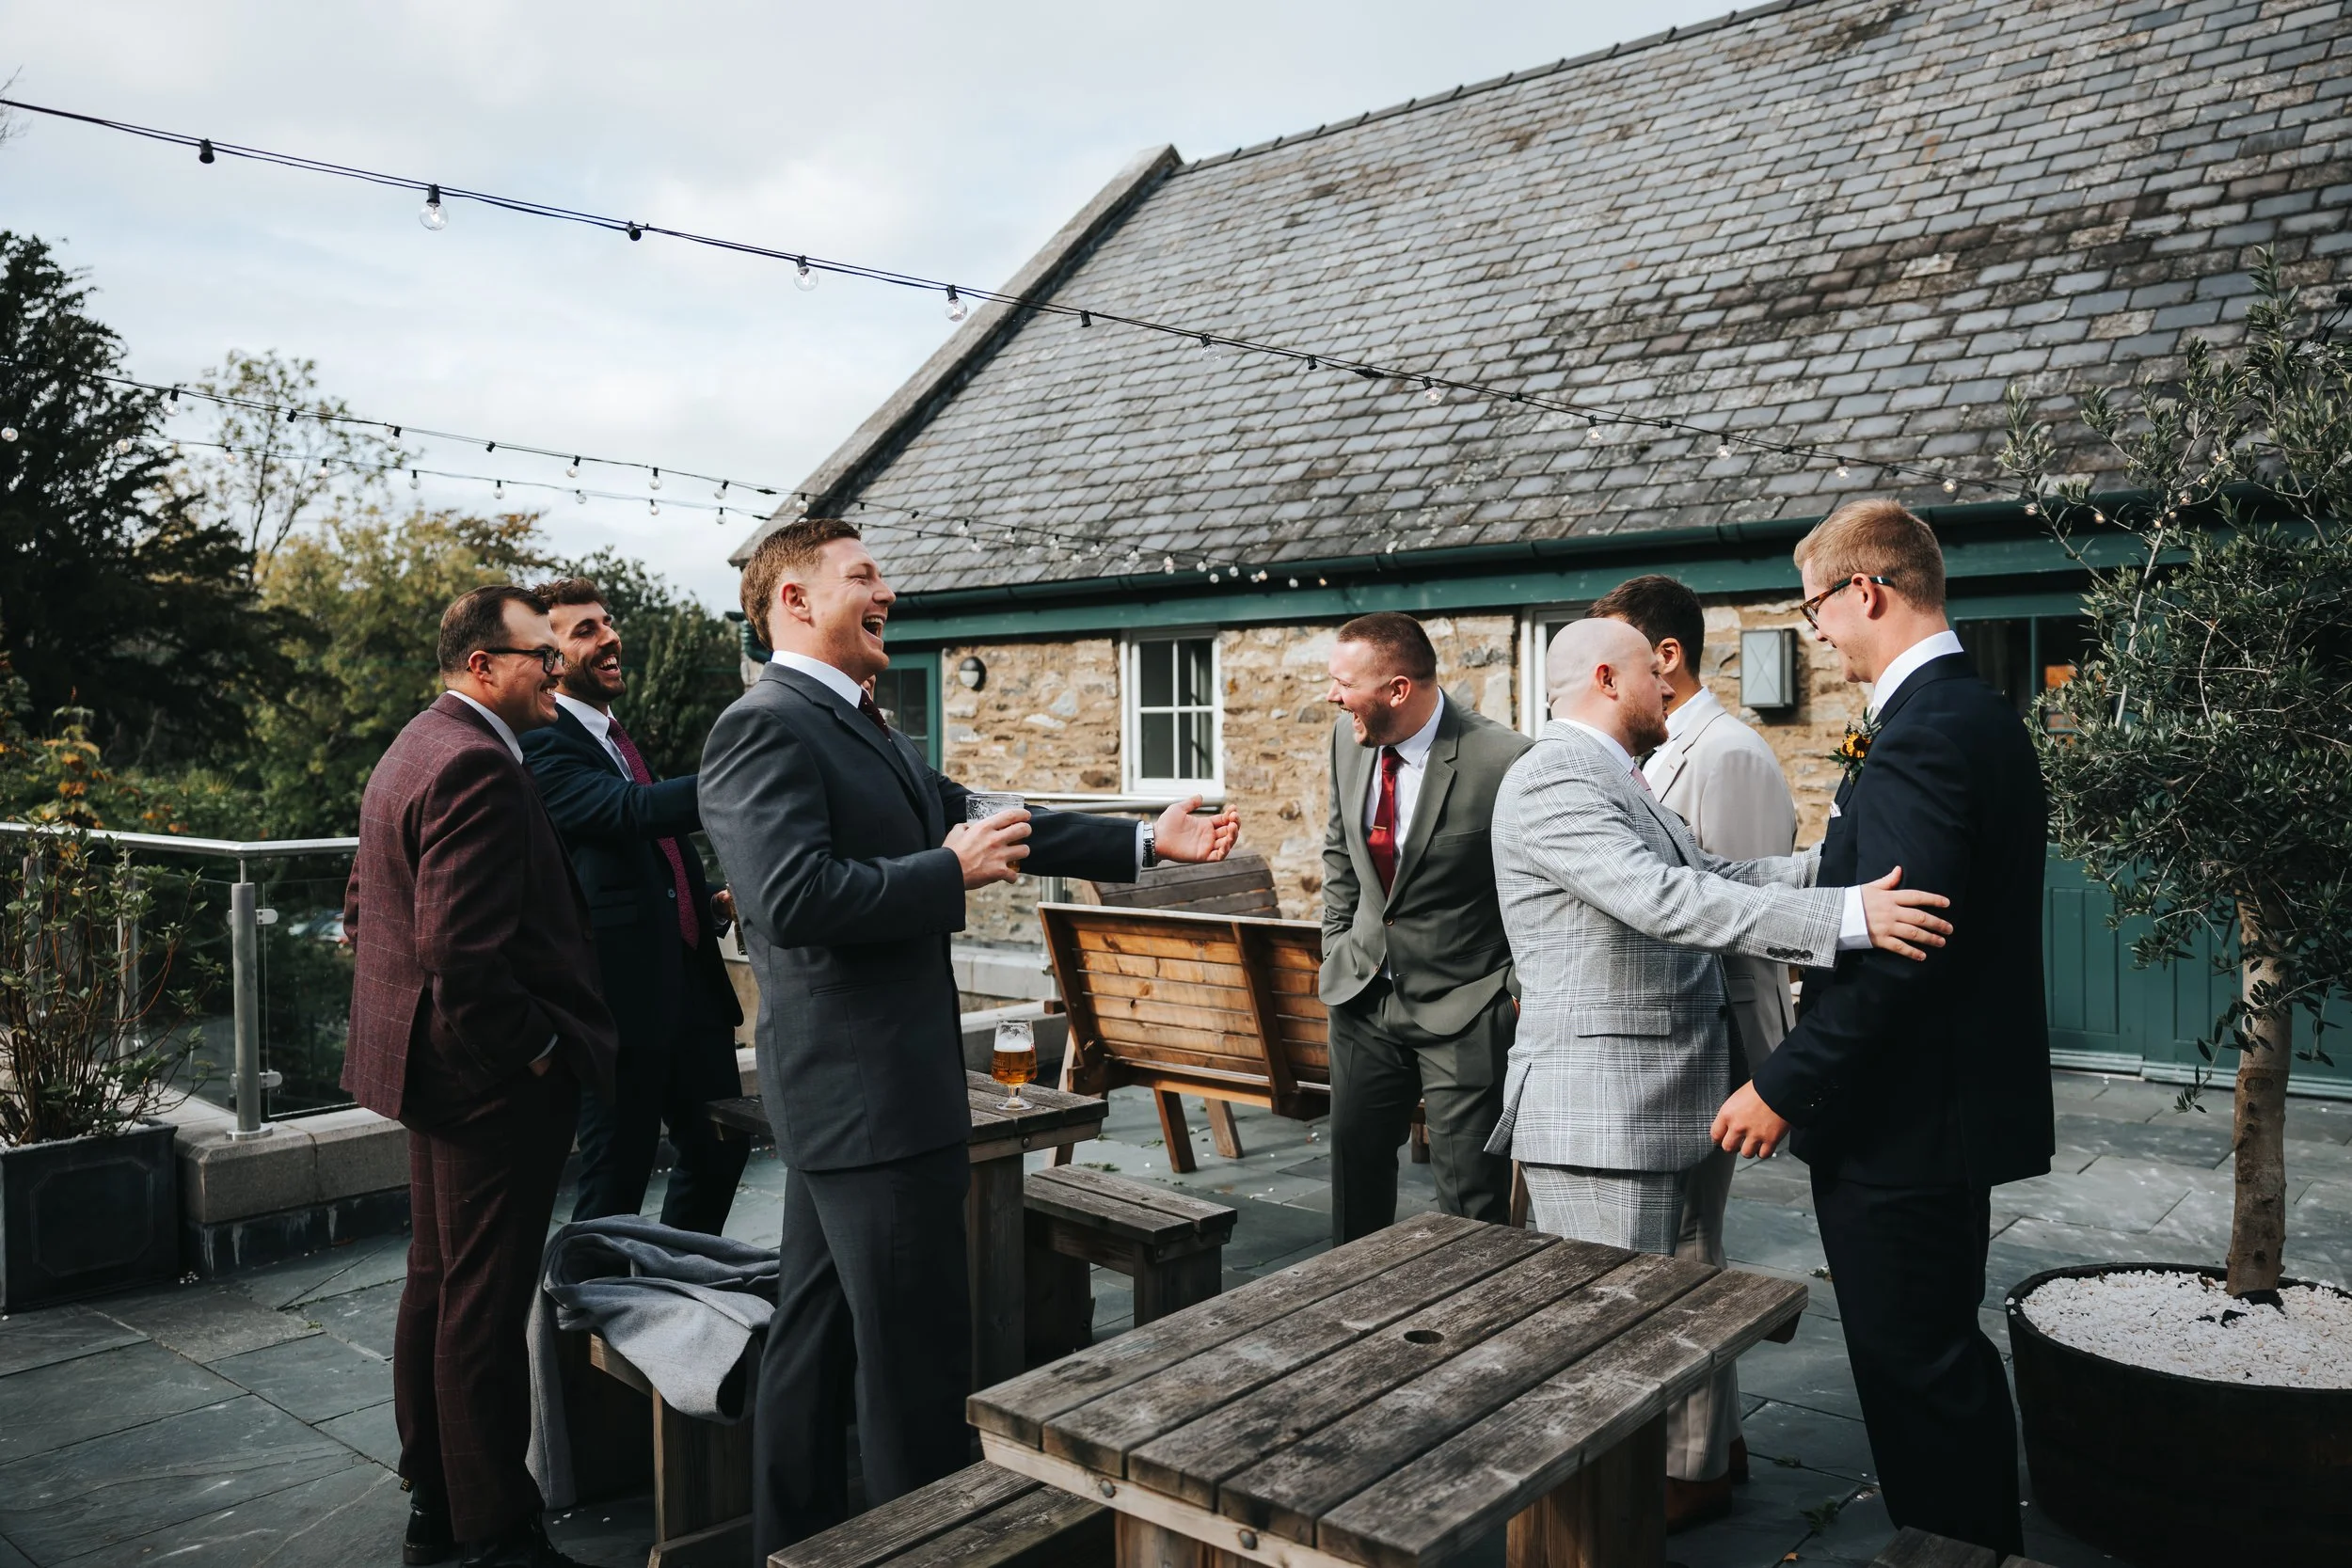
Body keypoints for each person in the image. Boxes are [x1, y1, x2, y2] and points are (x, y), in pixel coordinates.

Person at [699, 518, 1240, 1560]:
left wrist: (1140, 839)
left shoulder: (864, 723)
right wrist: (946, 872)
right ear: (795, 602)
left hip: (854, 1095)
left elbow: (984, 814)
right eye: (864, 574)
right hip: (869, 1097)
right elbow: (791, 897)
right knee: (913, 1367)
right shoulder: (762, 725)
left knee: (811, 1342)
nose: (887, 589)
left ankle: (793, 1541)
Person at [1486, 617, 1953, 1532]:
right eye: (1655, 674)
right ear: (1610, 677)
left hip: (1670, 1092)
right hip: (1602, 1110)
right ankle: (1602, 1528)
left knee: (1684, 1296)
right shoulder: (1550, 776)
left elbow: (1719, 870)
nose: (1672, 685)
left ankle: (1695, 1468)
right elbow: (1661, 900)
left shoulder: (1622, 777)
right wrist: (1846, 917)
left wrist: (1843, 861)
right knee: (1611, 1336)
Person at [1711, 499, 2052, 1558]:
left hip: (1908, 1113)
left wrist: (1783, 1084)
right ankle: (1964, 1534)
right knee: (1933, 1349)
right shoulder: (1966, 712)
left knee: (1916, 1359)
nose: (1814, 632)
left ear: (1865, 590)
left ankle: (1955, 1541)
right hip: (1938, 1100)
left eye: (1814, 606)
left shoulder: (1926, 736)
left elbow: (1904, 949)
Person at [342, 585, 618, 1568]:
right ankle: (497, 1526)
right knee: (484, 1301)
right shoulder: (475, 765)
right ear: (481, 667)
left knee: (437, 1277)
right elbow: (463, 954)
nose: (556, 666)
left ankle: (435, 1490)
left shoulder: (416, 741)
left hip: (427, 1066)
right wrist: (537, 1050)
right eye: (539, 653)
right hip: (487, 1083)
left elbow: (364, 895)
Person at [1589, 573, 1800, 1513]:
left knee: (1684, 1251)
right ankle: (1718, 1438)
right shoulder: (1651, 750)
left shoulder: (1728, 755)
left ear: (1664, 657)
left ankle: (1695, 1465)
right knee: (1661, 1250)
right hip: (1650, 1042)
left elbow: (1751, 918)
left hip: (1703, 1039)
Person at [520, 577, 748, 1235]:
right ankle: (585, 1319)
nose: (610, 635)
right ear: (550, 658)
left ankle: (674, 1287)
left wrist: (702, 904)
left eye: (607, 621)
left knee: (718, 1150)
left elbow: (639, 862)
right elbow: (628, 812)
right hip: (617, 1007)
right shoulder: (543, 741)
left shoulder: (616, 736)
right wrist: (745, 773)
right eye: (585, 629)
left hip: (693, 993)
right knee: (615, 1178)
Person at [1318, 611, 1533, 1243]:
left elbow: (1533, 885)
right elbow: (1339, 851)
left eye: (1344, 682)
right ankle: (1349, 1313)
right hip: (1361, 998)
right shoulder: (1344, 736)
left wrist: (1511, 991)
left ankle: (1473, 1326)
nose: (1332, 695)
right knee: (1355, 1180)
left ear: (1399, 689)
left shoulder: (1505, 759)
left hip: (1465, 1006)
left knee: (1469, 1197)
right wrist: (1336, 943)